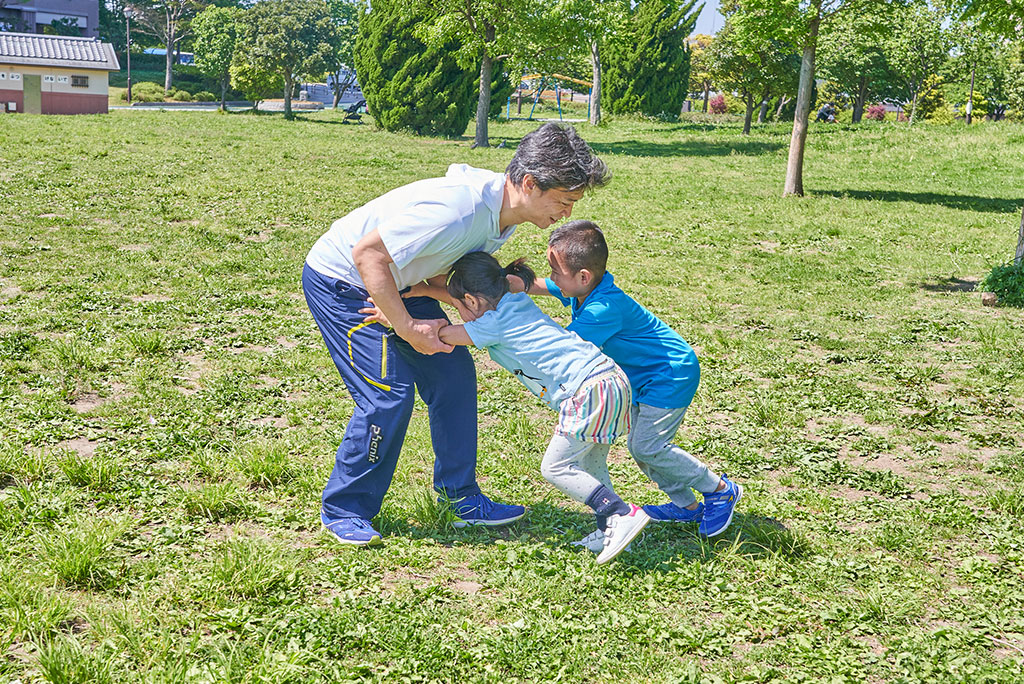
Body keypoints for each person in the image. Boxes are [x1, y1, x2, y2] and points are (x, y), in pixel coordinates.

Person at [302, 124, 609, 546]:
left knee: (454, 378)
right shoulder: (459, 211)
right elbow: (367, 254)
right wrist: (406, 327)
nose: (567, 213)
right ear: (529, 183)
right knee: (388, 395)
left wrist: (451, 306)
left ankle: (460, 498)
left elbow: (440, 266)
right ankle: (345, 508)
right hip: (346, 281)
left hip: (403, 282)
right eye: (563, 200)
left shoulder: (501, 216)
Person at [413, 252, 650, 565]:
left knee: (556, 467)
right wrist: (427, 290)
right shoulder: (514, 299)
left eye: (460, 305)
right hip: (609, 378)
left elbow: (440, 336)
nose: (459, 310)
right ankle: (610, 527)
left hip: (585, 390)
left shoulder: (492, 326)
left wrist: (397, 320)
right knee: (590, 464)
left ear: (471, 300)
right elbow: (470, 303)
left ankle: (620, 513)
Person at [518, 220, 742, 545]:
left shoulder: (602, 309)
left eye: (555, 272)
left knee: (647, 446)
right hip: (644, 377)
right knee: (643, 448)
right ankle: (688, 506)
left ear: (583, 277)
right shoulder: (587, 290)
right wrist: (517, 284)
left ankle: (719, 489)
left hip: (669, 374)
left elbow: (565, 349)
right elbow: (548, 287)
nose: (551, 278)